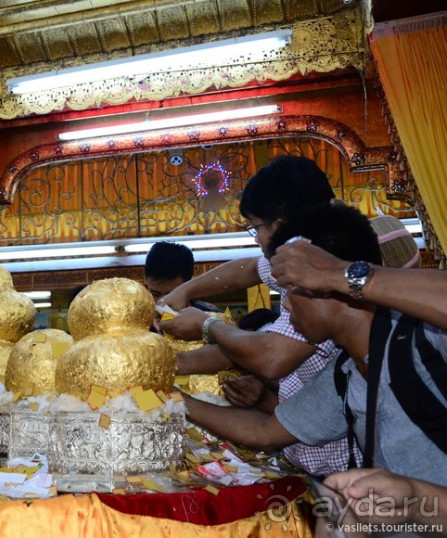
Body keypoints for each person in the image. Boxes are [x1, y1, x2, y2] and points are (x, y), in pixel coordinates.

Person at [182, 203, 447, 490]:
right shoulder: (344, 373)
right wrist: (172, 400)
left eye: (290, 289)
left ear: (323, 284)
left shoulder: (424, 338)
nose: (284, 303)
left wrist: (340, 274)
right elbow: (264, 431)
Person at [157, 155, 350, 476]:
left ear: (280, 225)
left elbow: (270, 356)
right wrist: (184, 293)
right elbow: (248, 270)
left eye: (255, 228)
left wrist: (207, 324)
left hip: (345, 476)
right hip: (315, 465)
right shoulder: (303, 262)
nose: (284, 308)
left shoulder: (318, 283)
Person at [144, 241, 219, 313]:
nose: (161, 304)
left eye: (171, 295)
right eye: (154, 294)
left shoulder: (212, 319)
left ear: (188, 285)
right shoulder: (137, 323)